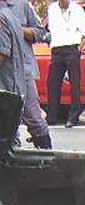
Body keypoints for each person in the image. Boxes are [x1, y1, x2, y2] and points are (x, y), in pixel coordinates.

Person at [0, 0, 51, 148]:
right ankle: (12, 153)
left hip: (23, 70)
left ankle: (45, 154)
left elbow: (41, 33)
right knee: (7, 121)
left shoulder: (21, 4)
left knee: (34, 118)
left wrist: (16, 29)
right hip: (3, 74)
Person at [46, 0, 85, 128]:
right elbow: (50, 31)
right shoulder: (52, 9)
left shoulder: (77, 9)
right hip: (56, 50)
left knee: (74, 84)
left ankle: (73, 116)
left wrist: (78, 50)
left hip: (72, 48)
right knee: (52, 83)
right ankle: (52, 116)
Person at [0, 4, 24, 99]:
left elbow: (2, 54)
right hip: (12, 92)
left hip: (5, 92)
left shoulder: (2, 17)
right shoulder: (10, 15)